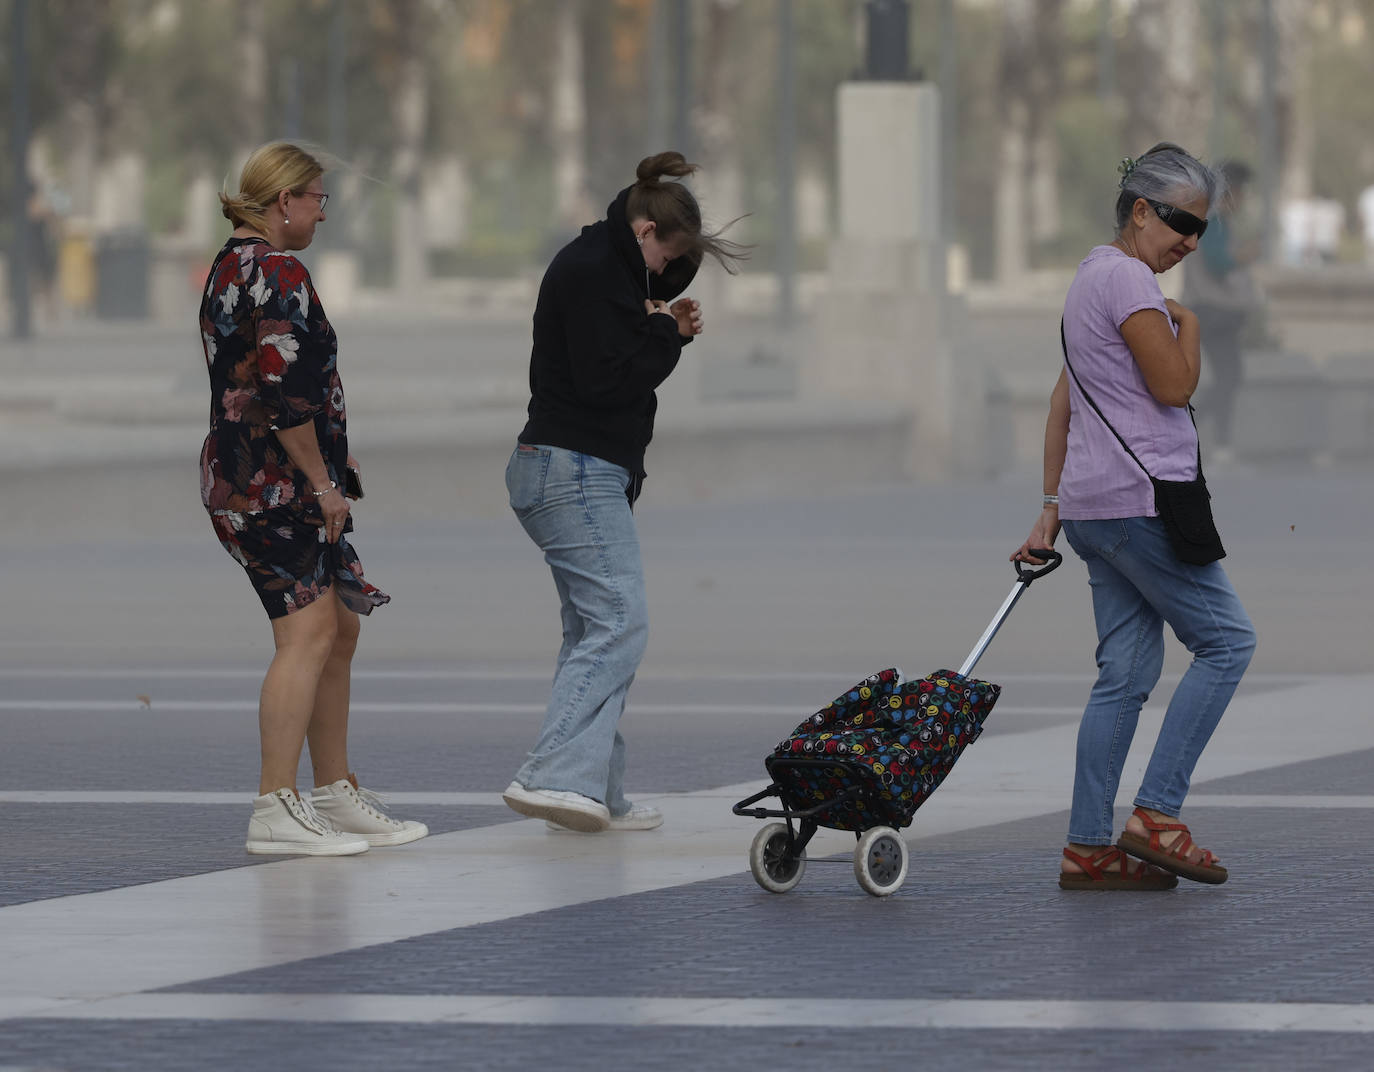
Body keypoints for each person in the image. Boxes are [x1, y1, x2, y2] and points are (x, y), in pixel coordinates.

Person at [1012, 143, 1257, 891]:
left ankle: (1090, 846)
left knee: (1124, 675)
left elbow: (1061, 409)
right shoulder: (1130, 283)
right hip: (1143, 503)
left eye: (1202, 230)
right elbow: (1176, 386)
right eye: (1181, 221)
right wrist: (1193, 325)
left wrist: (1051, 509)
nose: (1189, 240)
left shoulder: (1090, 279)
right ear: (1140, 209)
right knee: (1227, 643)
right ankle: (1157, 815)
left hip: (1094, 508)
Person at [502, 151, 745, 833]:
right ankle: (552, 775)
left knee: (593, 629)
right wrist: (668, 331)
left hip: (572, 467)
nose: (669, 275)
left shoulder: (611, 264)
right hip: (571, 467)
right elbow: (608, 382)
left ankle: (594, 790)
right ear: (643, 234)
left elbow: (631, 340)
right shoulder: (591, 274)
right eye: (666, 259)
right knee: (619, 621)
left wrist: (666, 320)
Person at [201, 141, 427, 855]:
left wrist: (331, 454)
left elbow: (258, 380)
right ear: (284, 201)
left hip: (255, 474)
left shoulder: (230, 266)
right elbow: (283, 391)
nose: (322, 213)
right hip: (273, 487)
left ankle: (333, 791)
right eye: (317, 199)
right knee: (305, 634)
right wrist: (324, 481)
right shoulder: (278, 269)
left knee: (339, 630)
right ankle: (275, 805)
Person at [1184, 160, 1261, 455]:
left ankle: (1215, 441)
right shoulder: (1213, 223)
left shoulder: (1213, 222)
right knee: (1229, 376)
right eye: (1241, 193)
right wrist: (1246, 255)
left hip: (1213, 312)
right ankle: (1204, 439)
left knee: (1228, 376)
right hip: (1214, 311)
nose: (1243, 200)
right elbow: (1218, 264)